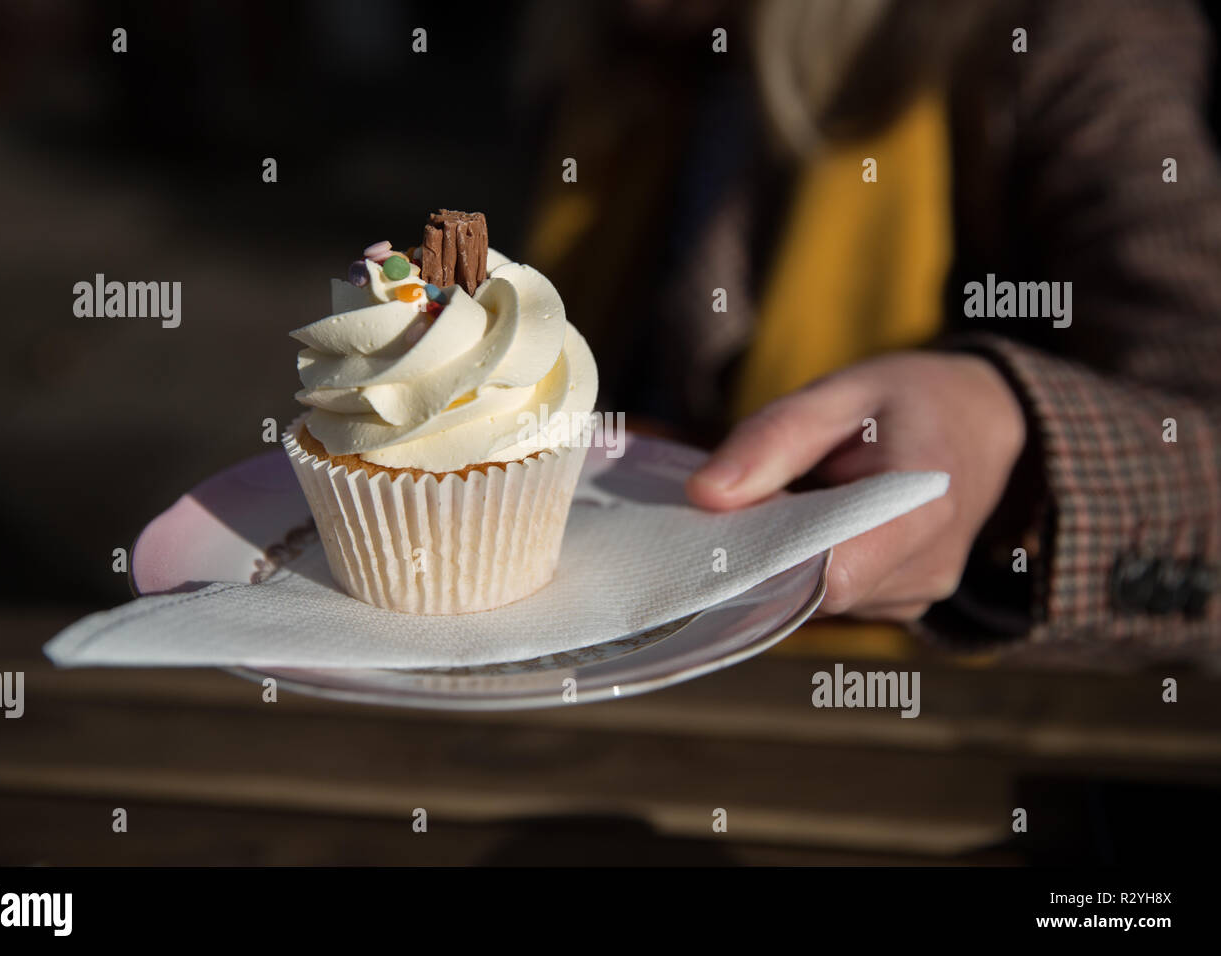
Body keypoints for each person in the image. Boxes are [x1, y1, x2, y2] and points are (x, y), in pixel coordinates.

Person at [518, 0, 1221, 651]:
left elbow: (1200, 425)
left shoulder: (1065, 32)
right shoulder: (624, 54)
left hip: (935, 745)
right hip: (586, 686)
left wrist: (1015, 446)